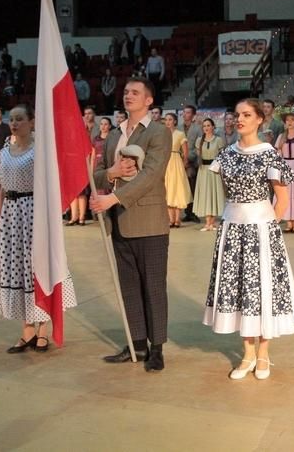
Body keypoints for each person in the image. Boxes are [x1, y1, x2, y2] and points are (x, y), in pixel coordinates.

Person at [203, 98, 294, 380]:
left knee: (262, 288)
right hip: (232, 229)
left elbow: (282, 198)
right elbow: (226, 192)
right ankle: (247, 353)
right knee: (238, 289)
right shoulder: (226, 155)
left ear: (260, 119)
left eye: (247, 114)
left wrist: (268, 226)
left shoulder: (269, 153)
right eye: (237, 115)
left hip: (261, 230)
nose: (240, 119)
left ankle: (264, 354)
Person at [92, 77, 171, 372]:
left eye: (135, 92)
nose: (128, 96)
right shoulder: (114, 135)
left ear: (149, 100)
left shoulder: (159, 133)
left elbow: (150, 175)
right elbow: (99, 174)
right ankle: (136, 342)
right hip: (119, 224)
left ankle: (157, 348)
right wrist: (110, 173)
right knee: (129, 287)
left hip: (149, 223)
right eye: (126, 92)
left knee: (153, 287)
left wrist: (113, 199)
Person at [0, 104, 77, 353]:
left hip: (34, 213)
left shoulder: (40, 151)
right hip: (12, 217)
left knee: (37, 270)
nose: (14, 123)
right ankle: (26, 331)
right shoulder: (4, 153)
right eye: (11, 119)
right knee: (18, 271)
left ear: (32, 122)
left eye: (20, 119)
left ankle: (43, 329)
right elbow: (2, 188)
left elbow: (50, 186)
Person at [193, 118, 225, 231]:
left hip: (214, 170)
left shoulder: (218, 140)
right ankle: (207, 222)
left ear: (213, 126)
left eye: (208, 125)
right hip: (203, 170)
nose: (206, 128)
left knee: (214, 194)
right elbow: (198, 155)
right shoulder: (199, 140)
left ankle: (212, 222)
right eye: (204, 126)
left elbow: (222, 156)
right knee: (205, 194)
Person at [164, 112, 192, 228]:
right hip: (165, 163)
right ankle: (171, 220)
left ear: (175, 121)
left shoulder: (180, 134)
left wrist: (184, 163)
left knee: (177, 188)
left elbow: (185, 152)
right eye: (166, 120)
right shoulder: (162, 134)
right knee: (168, 188)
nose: (168, 122)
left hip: (176, 162)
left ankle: (177, 219)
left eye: (170, 119)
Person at [180, 105, 201, 223]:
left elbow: (198, 146)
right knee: (182, 188)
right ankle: (186, 212)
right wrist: (181, 158)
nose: (185, 114)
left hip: (192, 162)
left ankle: (192, 212)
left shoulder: (198, 128)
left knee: (192, 187)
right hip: (178, 162)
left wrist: (187, 158)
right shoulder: (178, 127)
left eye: (188, 112)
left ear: (193, 115)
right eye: (183, 112)